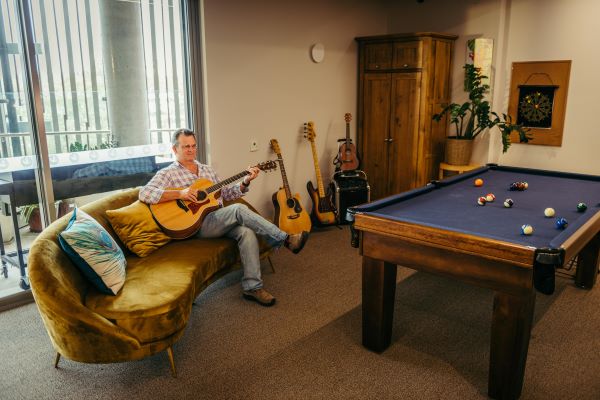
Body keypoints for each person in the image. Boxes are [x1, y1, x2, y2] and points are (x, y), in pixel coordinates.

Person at [139, 128, 308, 307]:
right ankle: (286, 239)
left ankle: (252, 287)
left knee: (246, 232)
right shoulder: (168, 173)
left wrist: (245, 181)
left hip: (219, 219)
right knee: (238, 209)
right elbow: (145, 193)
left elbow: (226, 194)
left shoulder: (207, 170)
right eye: (185, 146)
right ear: (175, 149)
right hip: (197, 225)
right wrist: (180, 193)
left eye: (193, 146)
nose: (190, 150)